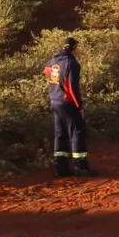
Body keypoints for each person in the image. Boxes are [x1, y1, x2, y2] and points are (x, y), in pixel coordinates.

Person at [44, 37, 93, 177]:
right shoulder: (71, 63)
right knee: (77, 132)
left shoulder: (52, 61)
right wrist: (79, 106)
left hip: (55, 101)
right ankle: (80, 166)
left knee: (60, 134)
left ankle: (61, 168)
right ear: (74, 48)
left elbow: (48, 74)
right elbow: (72, 87)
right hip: (68, 102)